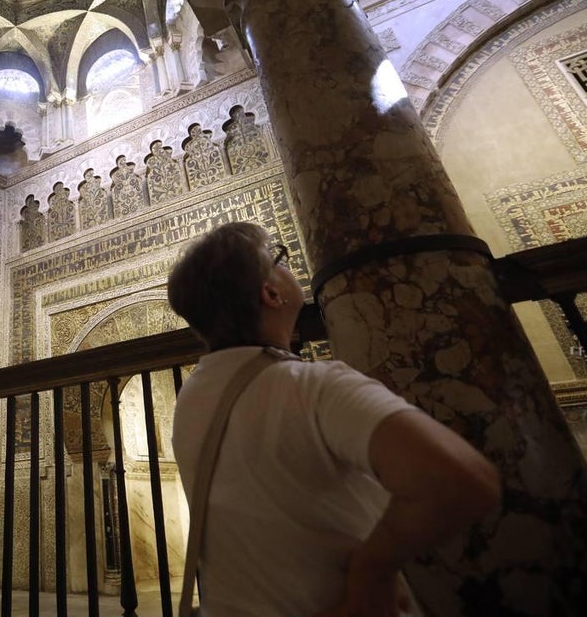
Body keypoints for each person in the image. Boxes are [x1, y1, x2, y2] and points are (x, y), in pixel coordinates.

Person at [167, 221, 500, 617]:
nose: (290, 268)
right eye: (280, 260)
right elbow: (461, 480)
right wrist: (372, 570)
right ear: (271, 293)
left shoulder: (190, 397)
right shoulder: (312, 385)